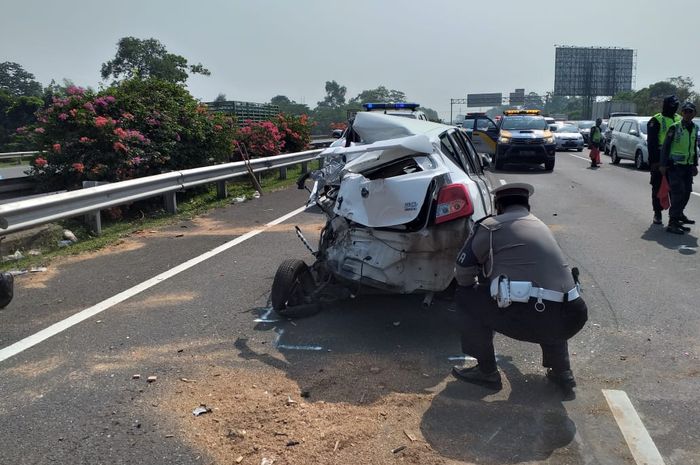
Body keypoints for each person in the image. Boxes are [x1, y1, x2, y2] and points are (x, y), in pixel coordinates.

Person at [452, 183, 588, 391]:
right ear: (527, 205)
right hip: (573, 315)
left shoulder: (490, 226)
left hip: (535, 317)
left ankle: (486, 371)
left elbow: (463, 270)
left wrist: (477, 291)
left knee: (465, 297)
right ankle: (562, 371)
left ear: (498, 205)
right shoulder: (540, 225)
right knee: (551, 298)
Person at [659, 101, 699, 234]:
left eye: (690, 111)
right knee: (678, 193)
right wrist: (663, 164)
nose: (688, 114)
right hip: (675, 166)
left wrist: (694, 164)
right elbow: (666, 146)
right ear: (682, 113)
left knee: (687, 192)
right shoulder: (675, 127)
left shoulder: (694, 128)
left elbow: (693, 147)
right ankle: (673, 222)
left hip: (687, 166)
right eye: (685, 111)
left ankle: (679, 215)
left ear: (694, 114)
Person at [648, 96, 681, 225]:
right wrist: (655, 162)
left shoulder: (679, 119)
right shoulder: (656, 120)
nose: (674, 107)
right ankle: (657, 213)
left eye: (676, 105)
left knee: (676, 189)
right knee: (657, 187)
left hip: (675, 160)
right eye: (672, 105)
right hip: (659, 159)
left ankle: (675, 215)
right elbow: (651, 143)